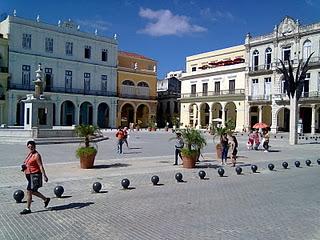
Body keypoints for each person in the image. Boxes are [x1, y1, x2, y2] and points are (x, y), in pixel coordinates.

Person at [20, 140, 50, 215]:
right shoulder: (29, 154)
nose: (31, 148)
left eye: (32, 147)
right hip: (29, 175)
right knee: (32, 191)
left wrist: (44, 176)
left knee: (29, 191)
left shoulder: (37, 155)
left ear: (35, 146)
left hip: (35, 175)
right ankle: (45, 199)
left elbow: (40, 165)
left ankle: (28, 208)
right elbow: (27, 163)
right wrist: (24, 167)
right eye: (29, 147)